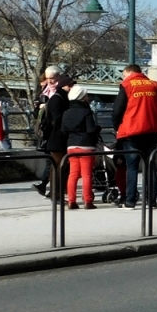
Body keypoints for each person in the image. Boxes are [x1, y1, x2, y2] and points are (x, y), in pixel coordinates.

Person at [112, 63, 157, 209]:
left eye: (124, 75)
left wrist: (117, 127)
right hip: (152, 130)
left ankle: (130, 201)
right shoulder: (153, 84)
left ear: (129, 73)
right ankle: (152, 200)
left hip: (133, 131)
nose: (123, 77)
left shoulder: (127, 84)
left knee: (132, 166)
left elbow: (117, 110)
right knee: (150, 165)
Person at [61, 85, 101, 209]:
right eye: (86, 95)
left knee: (73, 174)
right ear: (82, 97)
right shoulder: (86, 111)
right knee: (86, 175)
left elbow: (63, 130)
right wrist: (98, 128)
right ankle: (88, 201)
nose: (88, 97)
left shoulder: (66, 112)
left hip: (71, 145)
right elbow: (90, 129)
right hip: (86, 145)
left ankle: (71, 201)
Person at [32, 65, 64, 196]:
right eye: (48, 78)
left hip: (55, 132)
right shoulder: (45, 91)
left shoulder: (61, 92)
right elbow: (36, 113)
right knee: (50, 160)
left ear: (58, 77)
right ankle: (47, 186)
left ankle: (48, 186)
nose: (50, 81)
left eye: (52, 78)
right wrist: (39, 107)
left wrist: (48, 107)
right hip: (46, 130)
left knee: (52, 161)